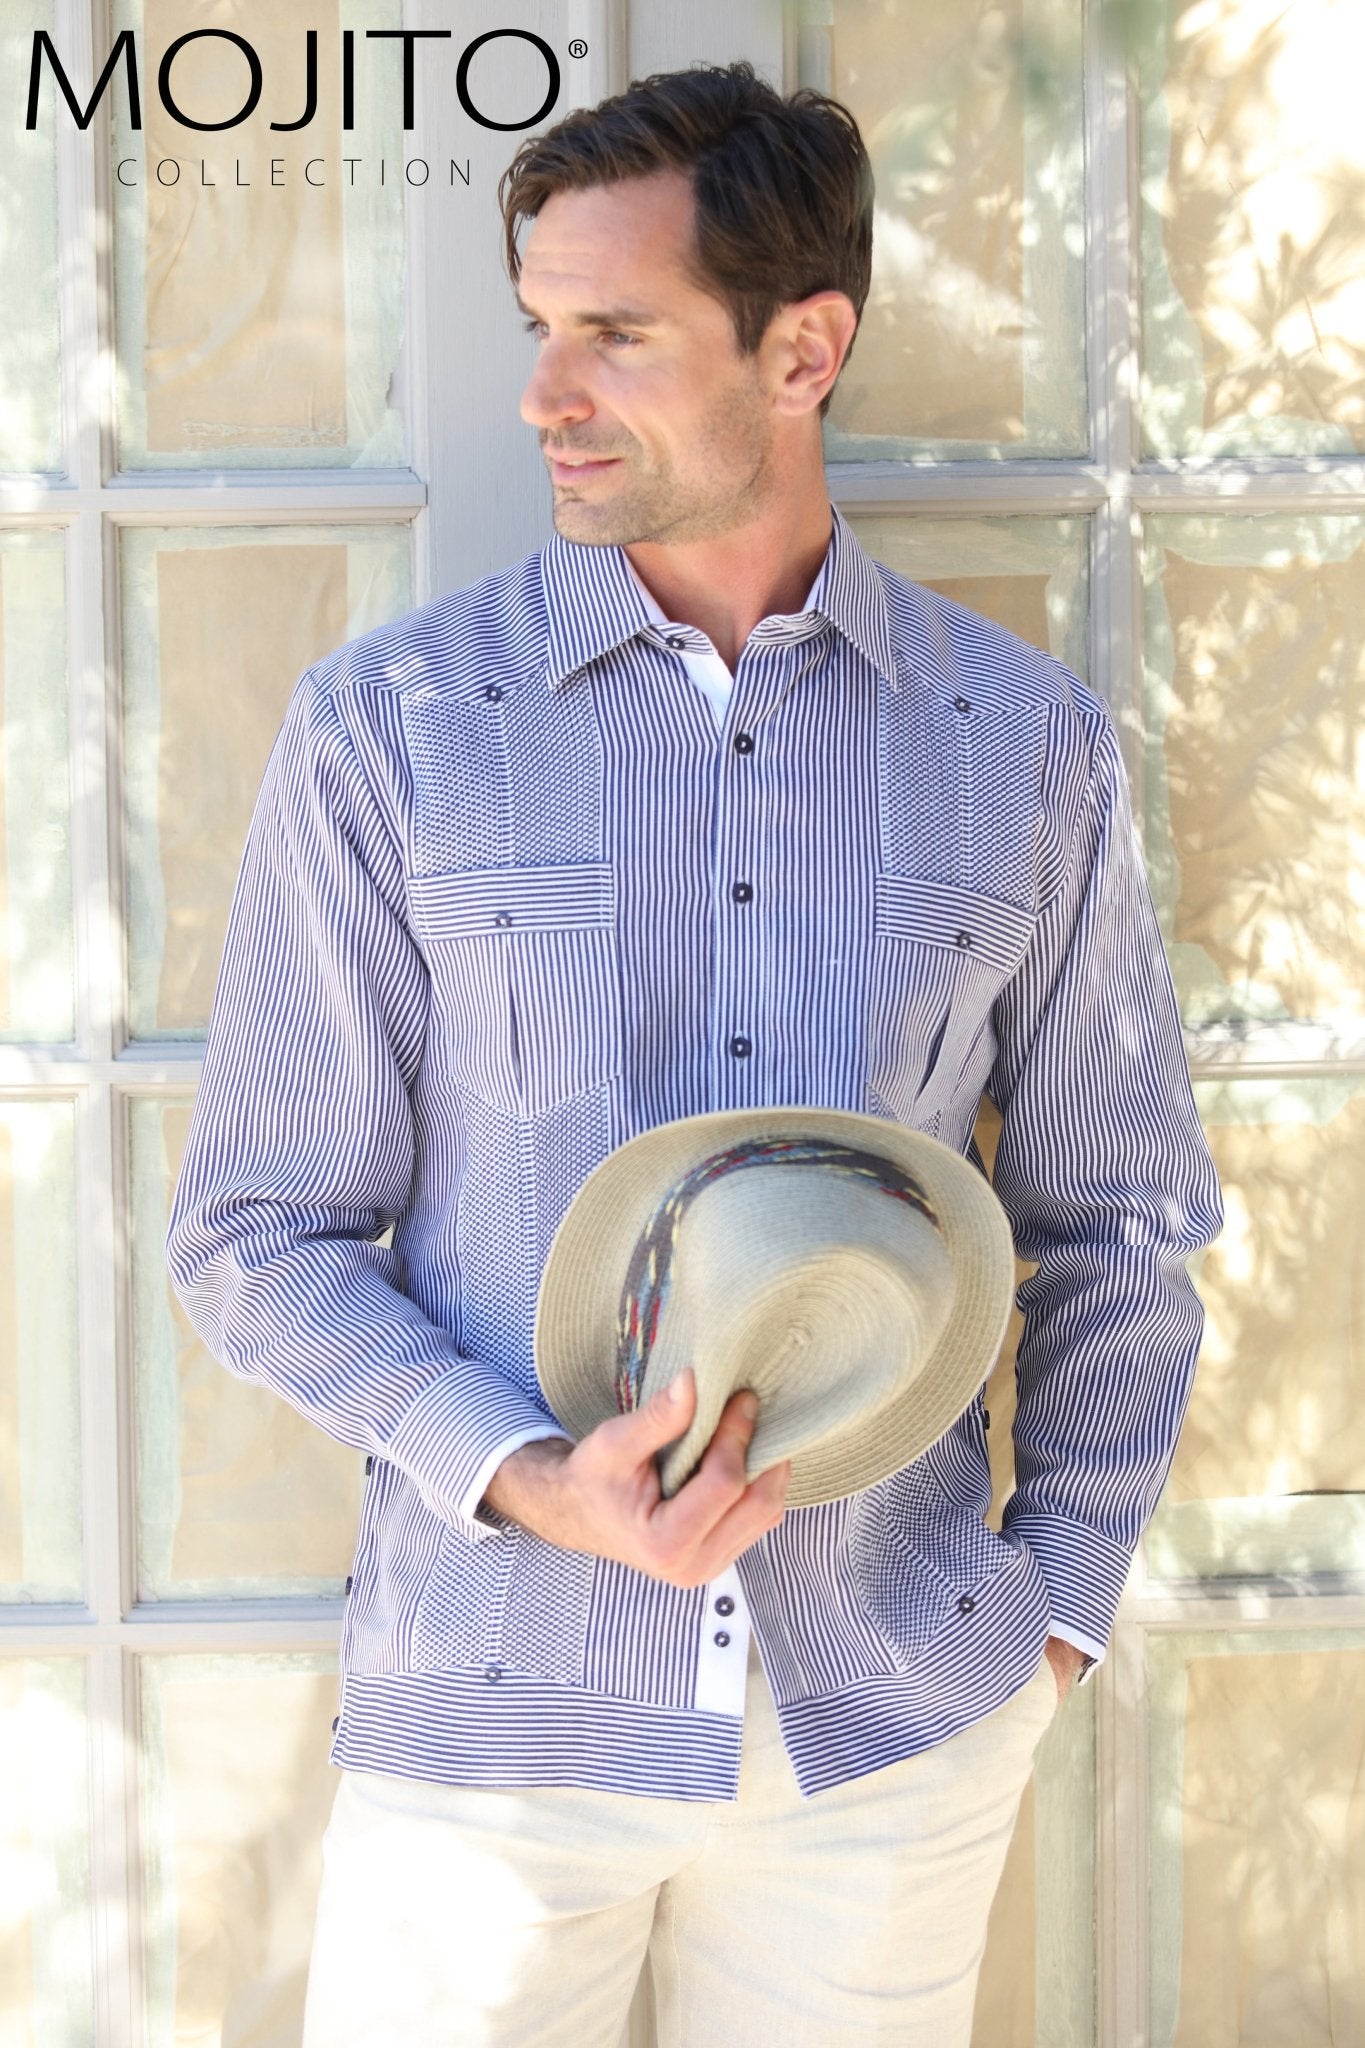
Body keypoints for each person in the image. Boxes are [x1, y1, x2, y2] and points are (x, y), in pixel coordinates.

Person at [167, 61, 1221, 2047]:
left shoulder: (1020, 745)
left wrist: (1051, 1609)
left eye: (613, 334)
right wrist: (543, 1484)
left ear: (800, 346)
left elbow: (1114, 1211)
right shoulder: (390, 726)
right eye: (536, 326)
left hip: (883, 1732)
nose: (540, 392)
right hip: (492, 1724)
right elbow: (254, 1227)